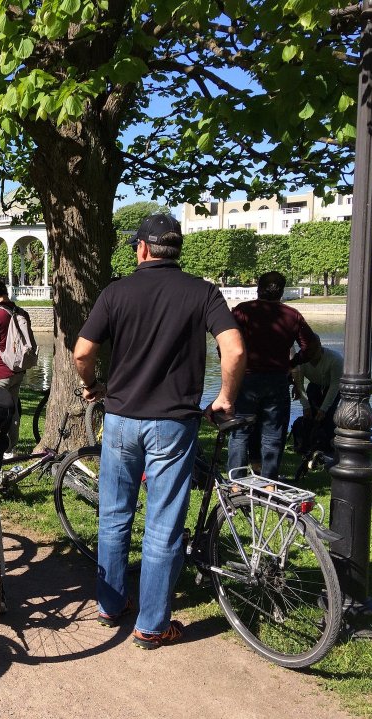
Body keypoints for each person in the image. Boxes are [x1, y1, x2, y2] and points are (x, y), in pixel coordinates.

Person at [73, 213, 245, 650]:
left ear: (144, 249)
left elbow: (82, 352)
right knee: (163, 525)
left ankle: (111, 606)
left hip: (121, 420)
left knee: (114, 516)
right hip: (173, 423)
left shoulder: (116, 292)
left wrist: (93, 386)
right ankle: (152, 625)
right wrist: (225, 397)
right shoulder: (203, 292)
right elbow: (235, 348)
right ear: (176, 249)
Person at [227, 271, 318, 480]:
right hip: (277, 380)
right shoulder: (292, 315)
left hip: (246, 378)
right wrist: (291, 363)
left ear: (258, 288)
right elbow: (311, 346)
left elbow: (227, 344)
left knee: (240, 431)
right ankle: (269, 482)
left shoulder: (243, 311)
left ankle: (235, 482)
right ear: (282, 291)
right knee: (273, 433)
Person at [0, 279, 30, 455]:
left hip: (0, 370)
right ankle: (11, 446)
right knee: (13, 409)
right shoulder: (20, 312)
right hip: (18, 369)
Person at [291, 336, 344, 454]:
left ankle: (329, 446)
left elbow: (335, 386)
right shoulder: (300, 359)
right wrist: (306, 406)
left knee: (328, 415)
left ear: (319, 347)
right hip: (314, 385)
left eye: (312, 353)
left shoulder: (335, 359)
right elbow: (299, 384)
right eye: (306, 353)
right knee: (310, 416)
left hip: (333, 386)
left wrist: (324, 409)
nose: (309, 357)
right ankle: (308, 444)